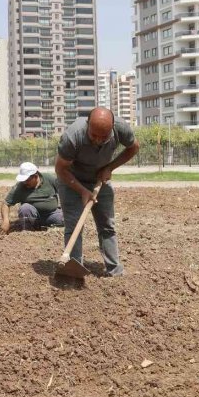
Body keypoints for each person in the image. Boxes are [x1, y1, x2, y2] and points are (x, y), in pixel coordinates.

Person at [54, 108, 139, 276]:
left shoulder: (121, 128)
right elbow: (60, 169)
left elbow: (133, 148)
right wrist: (82, 191)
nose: (99, 140)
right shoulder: (73, 136)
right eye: (94, 135)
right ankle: (74, 269)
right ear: (87, 125)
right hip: (72, 180)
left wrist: (110, 167)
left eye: (104, 136)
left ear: (113, 128)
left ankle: (114, 269)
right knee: (74, 225)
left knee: (107, 225)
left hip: (100, 178)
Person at [0, 162, 63, 234]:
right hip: (31, 217)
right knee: (25, 208)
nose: (24, 183)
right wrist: (6, 221)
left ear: (35, 176)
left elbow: (64, 191)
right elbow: (6, 204)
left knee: (65, 219)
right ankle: (28, 233)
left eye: (27, 180)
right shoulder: (20, 187)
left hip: (52, 214)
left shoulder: (50, 179)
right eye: (23, 180)